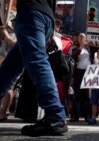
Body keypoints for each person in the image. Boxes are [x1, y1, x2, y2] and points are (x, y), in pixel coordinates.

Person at [0, 0, 68, 136]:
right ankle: (55, 115)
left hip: (31, 13)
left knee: (37, 61)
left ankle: (55, 115)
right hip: (46, 17)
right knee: (11, 65)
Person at [0, 20, 17, 121]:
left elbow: (12, 43)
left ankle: (5, 111)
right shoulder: (4, 33)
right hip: (2, 62)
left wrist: (6, 34)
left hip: (13, 63)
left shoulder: (17, 35)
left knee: (9, 88)